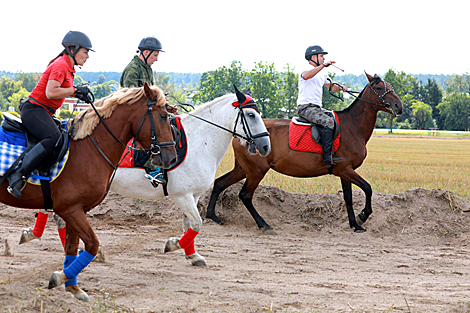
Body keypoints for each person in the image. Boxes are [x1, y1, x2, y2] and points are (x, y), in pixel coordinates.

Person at [7, 31, 94, 198]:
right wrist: (75, 90)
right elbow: (51, 92)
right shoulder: (61, 65)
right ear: (73, 49)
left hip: (42, 111)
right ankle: (17, 176)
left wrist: (77, 94)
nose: (87, 56)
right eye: (85, 51)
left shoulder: (68, 67)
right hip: (34, 110)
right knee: (52, 137)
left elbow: (61, 90)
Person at [120, 36, 177, 186]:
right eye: (155, 55)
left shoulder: (148, 69)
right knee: (151, 132)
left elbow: (152, 97)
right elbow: (131, 99)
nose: (156, 59)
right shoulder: (132, 70)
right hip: (133, 114)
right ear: (145, 52)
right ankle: (151, 169)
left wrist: (166, 107)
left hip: (147, 111)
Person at [297, 45, 348, 168]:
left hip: (317, 108)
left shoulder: (323, 72)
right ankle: (327, 158)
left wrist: (341, 88)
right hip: (305, 108)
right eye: (321, 56)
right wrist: (323, 66)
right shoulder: (305, 68)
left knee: (336, 119)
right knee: (328, 122)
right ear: (313, 57)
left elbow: (331, 87)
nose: (324, 58)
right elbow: (306, 76)